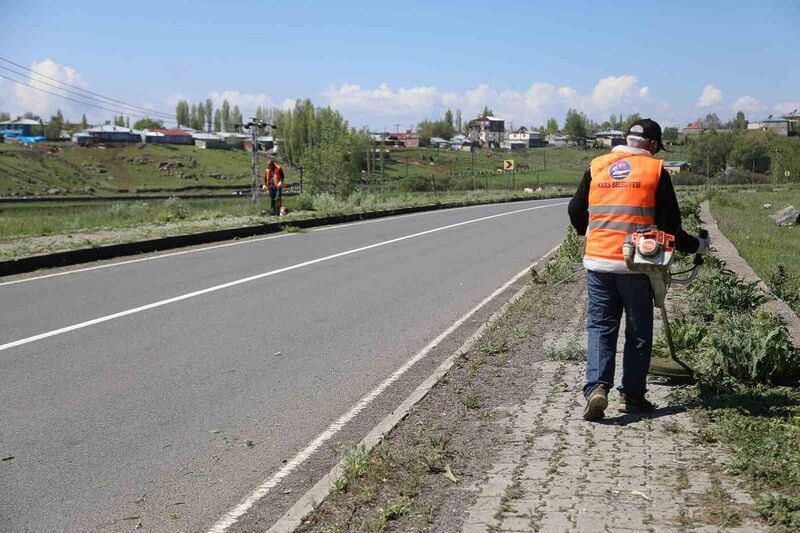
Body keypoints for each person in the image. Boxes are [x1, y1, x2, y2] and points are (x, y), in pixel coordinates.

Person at [567, 118, 709, 421]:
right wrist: (698, 246)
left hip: (599, 261)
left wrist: (589, 231)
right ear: (654, 145)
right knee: (638, 331)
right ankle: (632, 396)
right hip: (637, 265)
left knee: (601, 326)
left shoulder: (598, 166)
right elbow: (671, 228)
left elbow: (576, 211)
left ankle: (596, 388)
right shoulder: (655, 171)